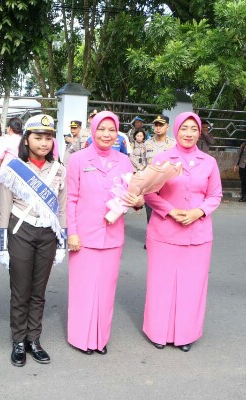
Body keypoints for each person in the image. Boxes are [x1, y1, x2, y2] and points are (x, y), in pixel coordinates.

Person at [143, 112, 222, 352]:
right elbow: (148, 193)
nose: (188, 133)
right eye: (184, 128)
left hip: (197, 235)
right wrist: (170, 211)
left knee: (192, 286)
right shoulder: (162, 159)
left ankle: (186, 335)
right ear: (176, 130)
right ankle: (158, 331)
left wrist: (199, 212)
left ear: (200, 132)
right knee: (161, 284)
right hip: (164, 232)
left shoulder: (209, 162)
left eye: (193, 129)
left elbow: (215, 195)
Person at [66, 111, 143, 355]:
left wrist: (138, 201)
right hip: (84, 235)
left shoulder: (123, 161)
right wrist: (72, 233)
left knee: (106, 289)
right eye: (102, 129)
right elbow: (70, 199)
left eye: (111, 130)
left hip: (112, 235)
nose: (106, 134)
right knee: (83, 288)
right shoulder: (77, 159)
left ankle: (100, 338)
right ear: (93, 130)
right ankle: (80, 338)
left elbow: (133, 195)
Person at [0, 114, 67, 367]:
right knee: (20, 291)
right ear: (26, 139)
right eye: (38, 137)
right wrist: (2, 243)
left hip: (48, 233)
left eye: (48, 137)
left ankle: (33, 340)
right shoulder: (12, 168)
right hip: (20, 230)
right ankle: (18, 340)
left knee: (39, 291)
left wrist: (62, 241)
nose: (44, 142)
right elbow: (3, 207)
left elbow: (62, 207)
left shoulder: (59, 169)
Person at [142, 115, 176, 230]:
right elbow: (143, 164)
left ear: (167, 127)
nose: (158, 128)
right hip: (151, 185)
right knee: (150, 214)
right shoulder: (147, 144)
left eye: (161, 125)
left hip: (168, 185)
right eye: (156, 125)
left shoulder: (174, 145)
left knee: (168, 213)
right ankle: (151, 237)